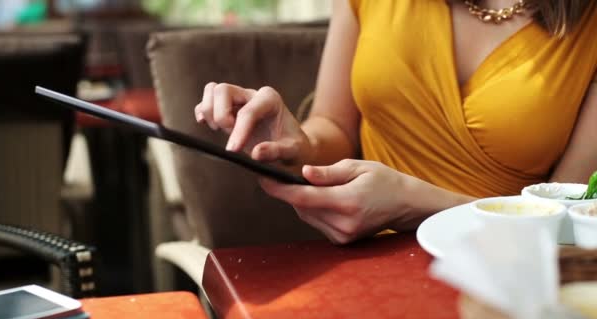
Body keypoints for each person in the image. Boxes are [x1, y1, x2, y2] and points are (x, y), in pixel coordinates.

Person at [193, 0, 597, 244]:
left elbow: (571, 225)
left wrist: (413, 202)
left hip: (504, 280)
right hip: (364, 267)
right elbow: (334, 125)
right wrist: (293, 141)